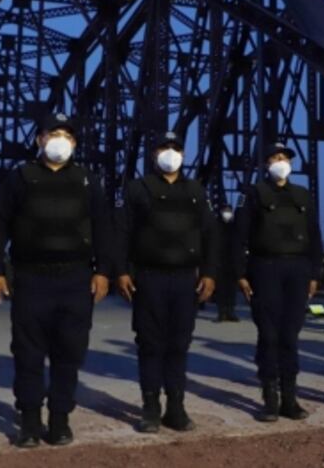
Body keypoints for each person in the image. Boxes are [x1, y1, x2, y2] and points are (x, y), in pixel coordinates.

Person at [0, 112, 113, 447]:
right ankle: (29, 420)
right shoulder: (21, 178)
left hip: (75, 278)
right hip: (30, 278)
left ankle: (59, 419)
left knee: (69, 352)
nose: (61, 140)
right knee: (28, 353)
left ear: (74, 143)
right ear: (40, 139)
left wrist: (103, 272)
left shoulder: (87, 180)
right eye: (54, 133)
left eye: (68, 135)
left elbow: (103, 228)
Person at [116, 131, 217, 433]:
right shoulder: (137, 189)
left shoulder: (197, 191)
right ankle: (150, 408)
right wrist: (121, 271)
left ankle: (176, 407)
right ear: (153, 154)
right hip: (150, 277)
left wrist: (210, 273)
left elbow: (211, 235)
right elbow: (121, 232)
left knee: (179, 344)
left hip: (185, 278)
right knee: (150, 344)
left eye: (175, 148)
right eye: (164, 147)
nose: (170, 152)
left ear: (183, 155)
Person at [234, 141, 323, 422]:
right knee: (269, 334)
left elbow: (314, 236)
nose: (280, 161)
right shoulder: (254, 194)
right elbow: (239, 236)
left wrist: (315, 273)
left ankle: (290, 398)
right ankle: (270, 398)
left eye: (284, 157)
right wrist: (240, 273)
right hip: (266, 267)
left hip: (297, 268)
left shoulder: (302, 195)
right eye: (275, 157)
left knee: (290, 336)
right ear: (265, 164)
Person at [214, 203, 240, 322]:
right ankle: (221, 312)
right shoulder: (216, 225)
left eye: (229, 211)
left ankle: (230, 311)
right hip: (220, 261)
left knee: (231, 287)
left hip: (232, 261)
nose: (227, 213)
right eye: (225, 211)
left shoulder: (235, 226)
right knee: (221, 288)